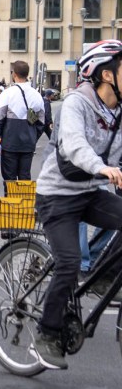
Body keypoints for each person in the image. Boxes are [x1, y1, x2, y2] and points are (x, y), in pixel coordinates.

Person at [31, 40, 122, 369]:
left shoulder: (119, 111)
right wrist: (102, 168)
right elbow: (73, 143)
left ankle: (103, 275)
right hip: (57, 196)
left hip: (91, 192)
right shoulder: (76, 103)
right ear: (107, 75)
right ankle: (46, 333)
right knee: (68, 263)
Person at [0, 60, 45, 182]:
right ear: (27, 74)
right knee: (24, 177)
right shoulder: (36, 95)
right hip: (28, 144)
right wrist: (33, 137)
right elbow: (41, 122)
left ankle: (10, 200)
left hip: (10, 142)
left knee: (9, 178)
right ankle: (24, 200)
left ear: (14, 74)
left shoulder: (8, 93)